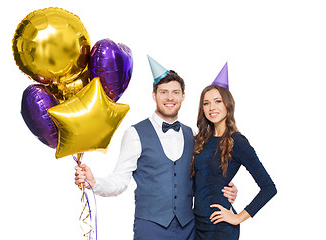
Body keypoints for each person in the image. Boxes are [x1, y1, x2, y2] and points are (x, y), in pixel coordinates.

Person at [74, 56, 238, 240]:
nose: (170, 97)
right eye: (163, 92)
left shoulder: (193, 134)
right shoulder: (135, 134)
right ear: (154, 95)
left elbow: (205, 177)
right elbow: (119, 181)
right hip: (150, 229)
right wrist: (94, 182)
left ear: (183, 96)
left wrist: (227, 189)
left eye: (175, 92)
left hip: (189, 228)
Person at [191, 63, 277, 240]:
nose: (211, 107)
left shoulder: (237, 141)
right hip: (196, 224)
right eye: (206, 103)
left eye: (217, 101)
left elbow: (269, 188)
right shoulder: (200, 140)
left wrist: (238, 217)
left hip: (220, 227)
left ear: (227, 104)